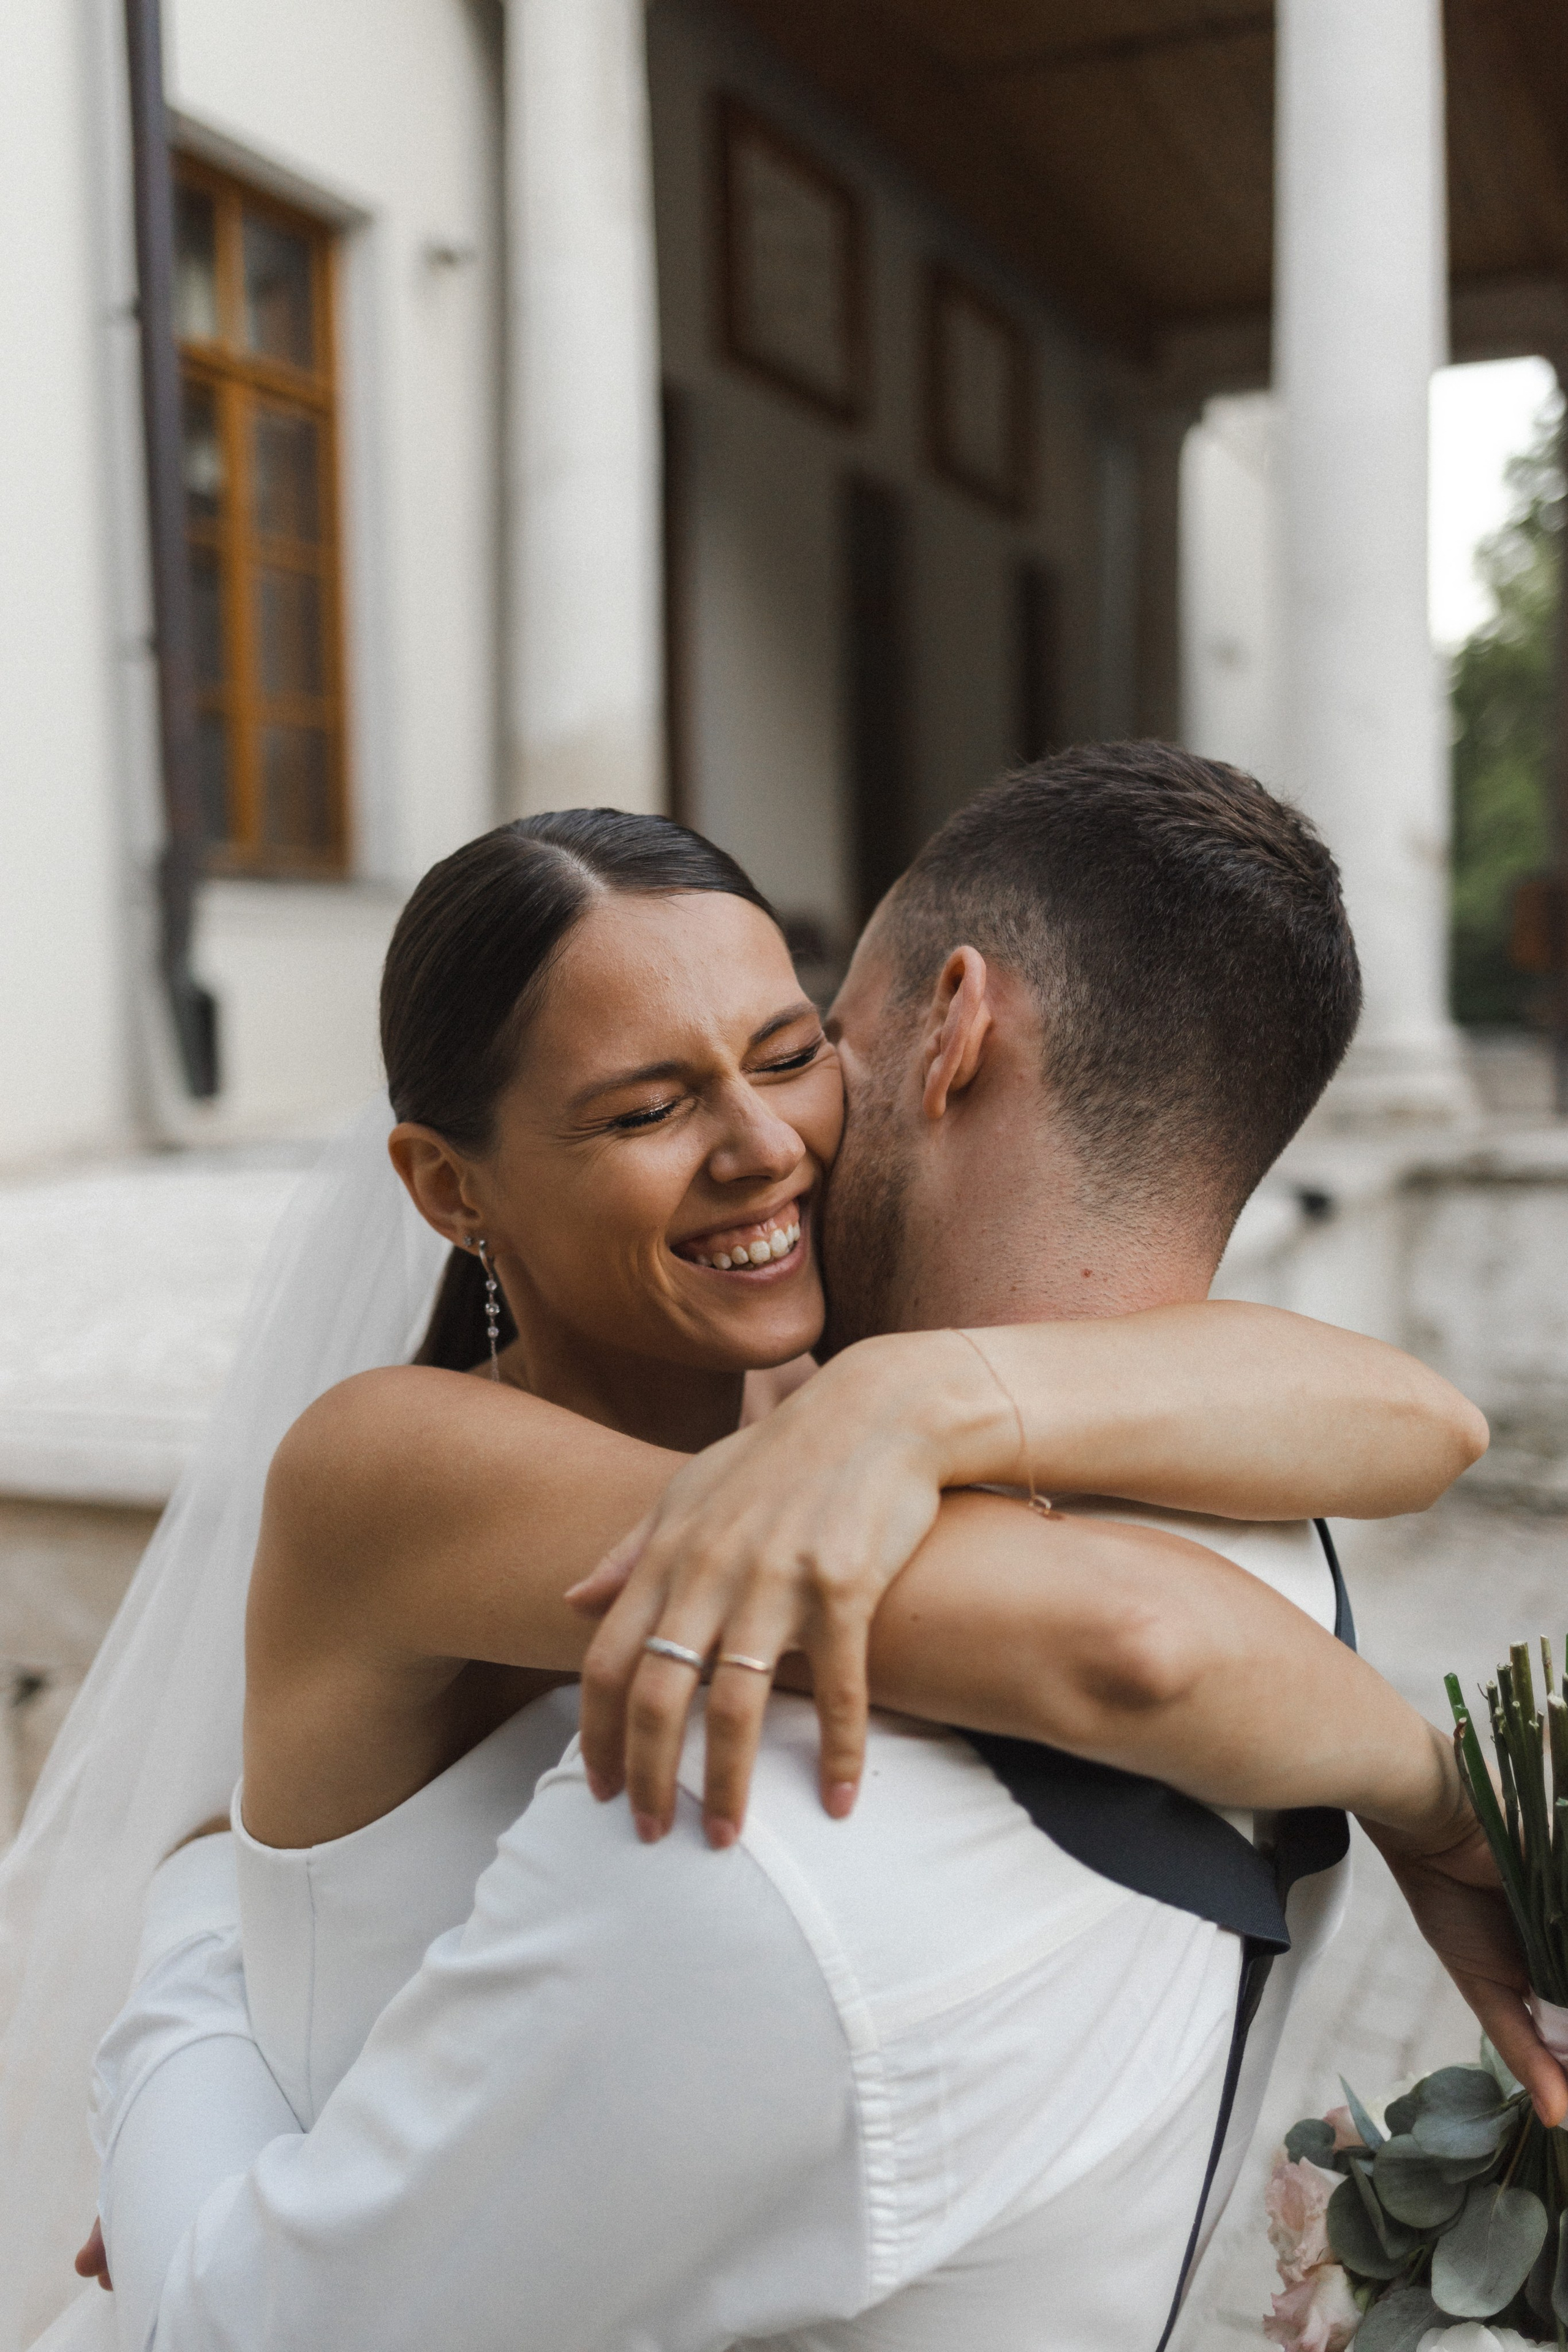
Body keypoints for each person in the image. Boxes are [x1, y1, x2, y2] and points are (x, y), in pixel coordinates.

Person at [55, 756, 1543, 2350]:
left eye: (792, 1053)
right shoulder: (399, 1463)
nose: (764, 1144)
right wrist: (1438, 1797)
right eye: (647, 1106)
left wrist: (918, 1395)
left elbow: (1418, 1419)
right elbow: (1123, 1634)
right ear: (447, 1186)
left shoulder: (821, 1399)